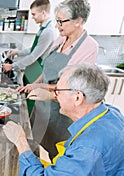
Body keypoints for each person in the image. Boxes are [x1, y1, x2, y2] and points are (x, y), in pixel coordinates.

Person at [0, 64, 124, 176]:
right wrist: (50, 96)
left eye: (58, 91)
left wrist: (21, 142)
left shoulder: (90, 147)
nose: (56, 94)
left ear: (77, 97)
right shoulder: (110, 112)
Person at [17, 0, 98, 159]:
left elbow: (73, 88)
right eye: (57, 21)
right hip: (42, 105)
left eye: (61, 21)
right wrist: (34, 84)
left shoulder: (89, 47)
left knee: (58, 154)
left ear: (78, 21)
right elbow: (47, 69)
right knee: (34, 142)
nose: (57, 26)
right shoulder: (61, 39)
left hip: (62, 111)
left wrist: (42, 89)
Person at [2, 0, 57, 114]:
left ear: (43, 12)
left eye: (33, 14)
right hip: (32, 69)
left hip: (37, 71)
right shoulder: (42, 29)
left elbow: (33, 56)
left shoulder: (48, 31)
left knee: (31, 100)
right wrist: (16, 52)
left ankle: (27, 126)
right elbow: (33, 49)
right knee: (27, 97)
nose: (32, 17)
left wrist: (12, 65)